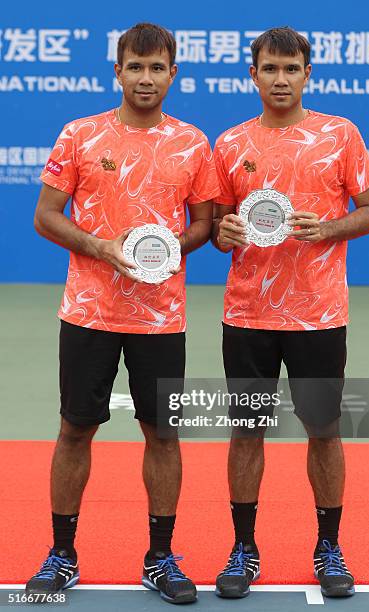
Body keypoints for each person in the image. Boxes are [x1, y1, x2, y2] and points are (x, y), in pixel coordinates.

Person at [25, 22, 219, 605]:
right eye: (135, 66)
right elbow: (46, 216)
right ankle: (62, 555)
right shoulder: (81, 135)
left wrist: (163, 255)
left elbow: (205, 225)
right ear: (117, 71)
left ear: (173, 74)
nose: (145, 77)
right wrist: (104, 248)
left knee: (163, 436)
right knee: (74, 430)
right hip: (88, 313)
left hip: (161, 320)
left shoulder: (193, 144)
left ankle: (160, 559)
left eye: (157, 67)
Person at [211, 26, 369, 599]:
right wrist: (225, 231)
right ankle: (243, 547)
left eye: (291, 69)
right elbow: (216, 228)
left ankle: (329, 546)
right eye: (269, 69)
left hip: (318, 315)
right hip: (248, 315)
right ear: (252, 74)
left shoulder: (341, 135)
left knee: (325, 430)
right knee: (246, 431)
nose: (280, 79)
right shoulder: (230, 144)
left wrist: (330, 228)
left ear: (308, 74)